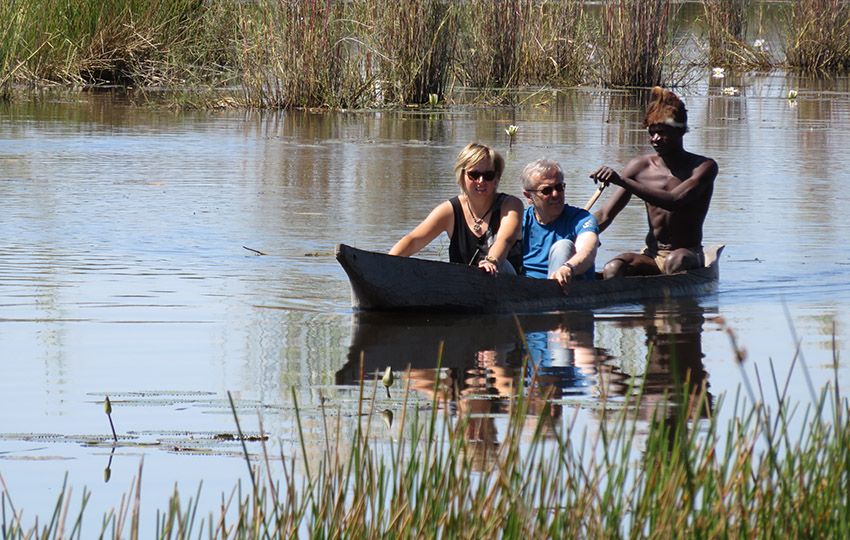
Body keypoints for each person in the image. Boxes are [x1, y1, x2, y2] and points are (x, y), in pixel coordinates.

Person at [591, 87, 718, 278]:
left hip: (687, 254)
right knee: (613, 269)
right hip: (651, 255)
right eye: (651, 133)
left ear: (680, 131)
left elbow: (674, 201)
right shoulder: (639, 167)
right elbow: (606, 214)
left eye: (661, 132)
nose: (655, 139)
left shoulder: (703, 167)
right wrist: (576, 233)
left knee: (674, 262)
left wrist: (622, 181)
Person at [389, 142, 523, 275]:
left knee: (502, 266)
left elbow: (505, 239)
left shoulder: (511, 206)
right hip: (463, 286)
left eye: (488, 175)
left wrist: (491, 261)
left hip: (504, 280)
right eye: (474, 175)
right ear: (461, 176)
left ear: (496, 178)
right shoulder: (449, 211)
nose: (481, 181)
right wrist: (386, 264)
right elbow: (413, 240)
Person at [521, 158, 599, 294]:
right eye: (546, 191)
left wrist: (568, 268)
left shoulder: (581, 218)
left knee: (563, 246)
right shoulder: (520, 219)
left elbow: (588, 251)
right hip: (525, 289)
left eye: (559, 187)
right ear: (529, 196)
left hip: (566, 288)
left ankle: (554, 305)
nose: (556, 194)